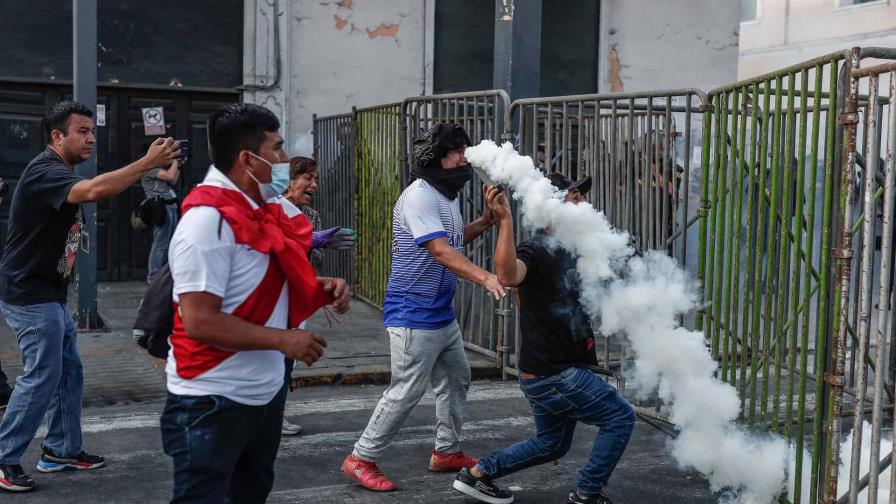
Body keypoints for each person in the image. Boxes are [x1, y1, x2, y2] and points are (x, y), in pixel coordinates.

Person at [160, 103, 350, 503]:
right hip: (212, 400)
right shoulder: (207, 223)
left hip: (261, 392)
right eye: (278, 149)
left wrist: (319, 285)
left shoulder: (259, 209)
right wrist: (284, 341)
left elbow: (253, 281)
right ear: (249, 158)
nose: (284, 160)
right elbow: (199, 321)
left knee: (252, 490)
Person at [0, 100, 180, 492]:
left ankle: (61, 450)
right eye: (82, 131)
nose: (92, 138)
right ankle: (4, 457)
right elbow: (96, 190)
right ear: (56, 136)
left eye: (91, 131)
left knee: (68, 373)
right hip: (29, 294)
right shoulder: (45, 171)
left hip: (49, 293)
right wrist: (147, 164)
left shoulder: (58, 170)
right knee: (42, 375)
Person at [452, 174, 636, 504]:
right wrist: (505, 221)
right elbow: (508, 276)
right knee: (620, 417)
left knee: (552, 443)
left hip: (544, 371)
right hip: (555, 375)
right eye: (573, 196)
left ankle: (477, 474)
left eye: (581, 195)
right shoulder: (535, 251)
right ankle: (586, 493)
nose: (581, 201)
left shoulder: (573, 250)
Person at [342, 123, 506, 491]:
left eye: (466, 149)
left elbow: (451, 238)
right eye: (457, 151)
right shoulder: (420, 197)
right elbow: (439, 250)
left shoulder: (446, 197)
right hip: (413, 314)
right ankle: (361, 457)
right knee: (406, 390)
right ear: (437, 157)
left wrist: (484, 221)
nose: (465, 157)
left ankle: (446, 451)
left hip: (440, 314)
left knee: (456, 379)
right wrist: (485, 277)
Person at [279, 155, 355, 436]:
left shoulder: (310, 216)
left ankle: (277, 413)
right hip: (272, 301)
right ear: (290, 181)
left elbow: (315, 263)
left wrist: (315, 243)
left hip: (297, 300)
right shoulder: (271, 209)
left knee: (287, 361)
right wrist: (307, 240)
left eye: (316, 179)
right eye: (308, 178)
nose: (314, 185)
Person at [141, 149, 183, 283]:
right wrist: (176, 160)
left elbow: (174, 180)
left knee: (170, 242)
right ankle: (153, 276)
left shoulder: (161, 169)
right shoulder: (149, 168)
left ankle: (165, 274)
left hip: (171, 206)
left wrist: (179, 165)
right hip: (160, 207)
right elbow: (170, 176)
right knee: (160, 243)